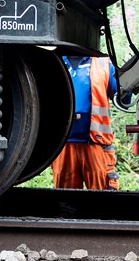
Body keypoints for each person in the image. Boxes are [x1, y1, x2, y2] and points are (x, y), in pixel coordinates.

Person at [51, 55, 120, 190]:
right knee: (66, 203)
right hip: (62, 145)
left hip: (96, 143)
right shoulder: (54, 62)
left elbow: (123, 97)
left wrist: (129, 79)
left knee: (101, 198)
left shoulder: (104, 63)